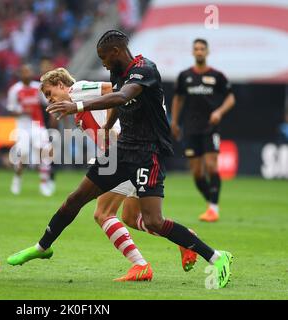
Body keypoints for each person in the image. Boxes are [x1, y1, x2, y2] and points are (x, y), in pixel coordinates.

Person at [7, 30, 233, 288]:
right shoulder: (118, 72)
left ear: (115, 52)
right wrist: (110, 124)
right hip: (120, 151)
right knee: (82, 201)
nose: (102, 63)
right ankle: (42, 246)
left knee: (145, 219)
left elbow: (121, 95)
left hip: (149, 152)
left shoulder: (144, 70)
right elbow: (116, 95)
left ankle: (214, 256)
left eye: (103, 57)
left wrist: (78, 106)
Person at [38, 67, 198, 281]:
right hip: (127, 153)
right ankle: (185, 238)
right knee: (133, 218)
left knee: (103, 213)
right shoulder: (77, 107)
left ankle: (140, 265)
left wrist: (114, 130)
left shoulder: (78, 89)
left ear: (61, 84)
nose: (49, 100)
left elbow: (113, 89)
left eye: (50, 93)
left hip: (123, 155)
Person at [171, 39, 235, 222]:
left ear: (207, 52)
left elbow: (231, 98)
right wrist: (174, 122)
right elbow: (178, 99)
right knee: (197, 173)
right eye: (196, 49)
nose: (199, 52)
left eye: (202, 49)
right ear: (193, 52)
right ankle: (211, 203)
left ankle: (213, 208)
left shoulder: (217, 76)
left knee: (212, 165)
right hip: (190, 128)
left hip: (210, 127)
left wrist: (219, 112)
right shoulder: (184, 76)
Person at [7, 64, 54, 196]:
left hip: (37, 124)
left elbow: (47, 102)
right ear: (20, 74)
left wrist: (53, 113)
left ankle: (44, 182)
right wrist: (22, 111)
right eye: (25, 72)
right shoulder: (15, 90)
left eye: (29, 72)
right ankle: (17, 179)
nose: (27, 74)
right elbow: (10, 110)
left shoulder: (37, 88)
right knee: (23, 155)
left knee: (45, 151)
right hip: (22, 126)